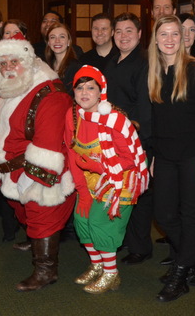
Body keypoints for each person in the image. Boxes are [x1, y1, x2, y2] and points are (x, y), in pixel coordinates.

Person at [0, 36, 76, 291]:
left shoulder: (51, 95)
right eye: (2, 63)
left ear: (29, 62)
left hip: (42, 170)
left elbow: (47, 147)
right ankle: (36, 239)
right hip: (15, 166)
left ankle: (46, 270)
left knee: (41, 212)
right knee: (23, 210)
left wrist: (34, 181)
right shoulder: (12, 87)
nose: (8, 68)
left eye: (14, 61)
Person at [147, 15, 195, 301]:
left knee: (192, 216)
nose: (169, 39)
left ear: (183, 38)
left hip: (194, 157)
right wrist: (152, 155)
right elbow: (155, 119)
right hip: (164, 156)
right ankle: (190, 263)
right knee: (163, 214)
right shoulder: (153, 70)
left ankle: (180, 273)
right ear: (156, 39)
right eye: (164, 34)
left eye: (175, 34)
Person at [65, 65, 148, 294]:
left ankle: (111, 274)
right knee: (82, 220)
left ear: (101, 92)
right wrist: (82, 191)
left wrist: (98, 165)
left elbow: (130, 159)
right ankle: (97, 265)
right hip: (92, 178)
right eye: (79, 88)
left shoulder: (114, 120)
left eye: (90, 88)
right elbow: (72, 155)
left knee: (100, 223)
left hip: (121, 178)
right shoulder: (73, 116)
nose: (84, 93)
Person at [103, 12, 153, 265]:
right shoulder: (113, 61)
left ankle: (141, 247)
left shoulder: (144, 61)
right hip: (113, 137)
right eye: (119, 31)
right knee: (120, 191)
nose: (123, 36)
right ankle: (127, 241)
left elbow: (145, 105)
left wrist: (138, 138)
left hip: (134, 138)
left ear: (140, 34)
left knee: (137, 194)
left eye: (129, 31)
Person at [44, 23, 82, 96]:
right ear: (48, 42)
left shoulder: (75, 67)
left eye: (62, 37)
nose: (57, 41)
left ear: (68, 42)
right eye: (52, 37)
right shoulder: (46, 66)